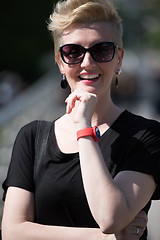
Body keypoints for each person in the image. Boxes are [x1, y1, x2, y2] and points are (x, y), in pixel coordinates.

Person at [1, 0, 160, 239]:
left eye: (102, 50)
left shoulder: (146, 135)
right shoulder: (33, 137)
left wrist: (83, 127)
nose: (87, 62)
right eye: (73, 52)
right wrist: (104, 238)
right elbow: (12, 231)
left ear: (119, 59)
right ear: (60, 63)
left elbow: (110, 218)